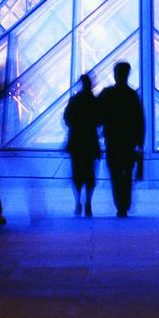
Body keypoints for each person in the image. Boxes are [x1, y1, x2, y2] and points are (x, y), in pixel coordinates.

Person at [98, 62, 145, 217]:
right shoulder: (132, 95)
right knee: (127, 175)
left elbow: (97, 114)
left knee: (115, 173)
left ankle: (120, 204)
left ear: (115, 74)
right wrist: (140, 142)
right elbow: (140, 120)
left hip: (112, 141)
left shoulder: (107, 93)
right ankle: (125, 203)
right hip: (128, 142)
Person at [63, 74, 100, 216]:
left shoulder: (75, 100)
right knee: (90, 174)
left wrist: (75, 126)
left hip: (76, 142)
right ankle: (88, 202)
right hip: (90, 142)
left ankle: (78, 201)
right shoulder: (95, 101)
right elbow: (100, 119)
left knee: (77, 174)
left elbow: (66, 118)